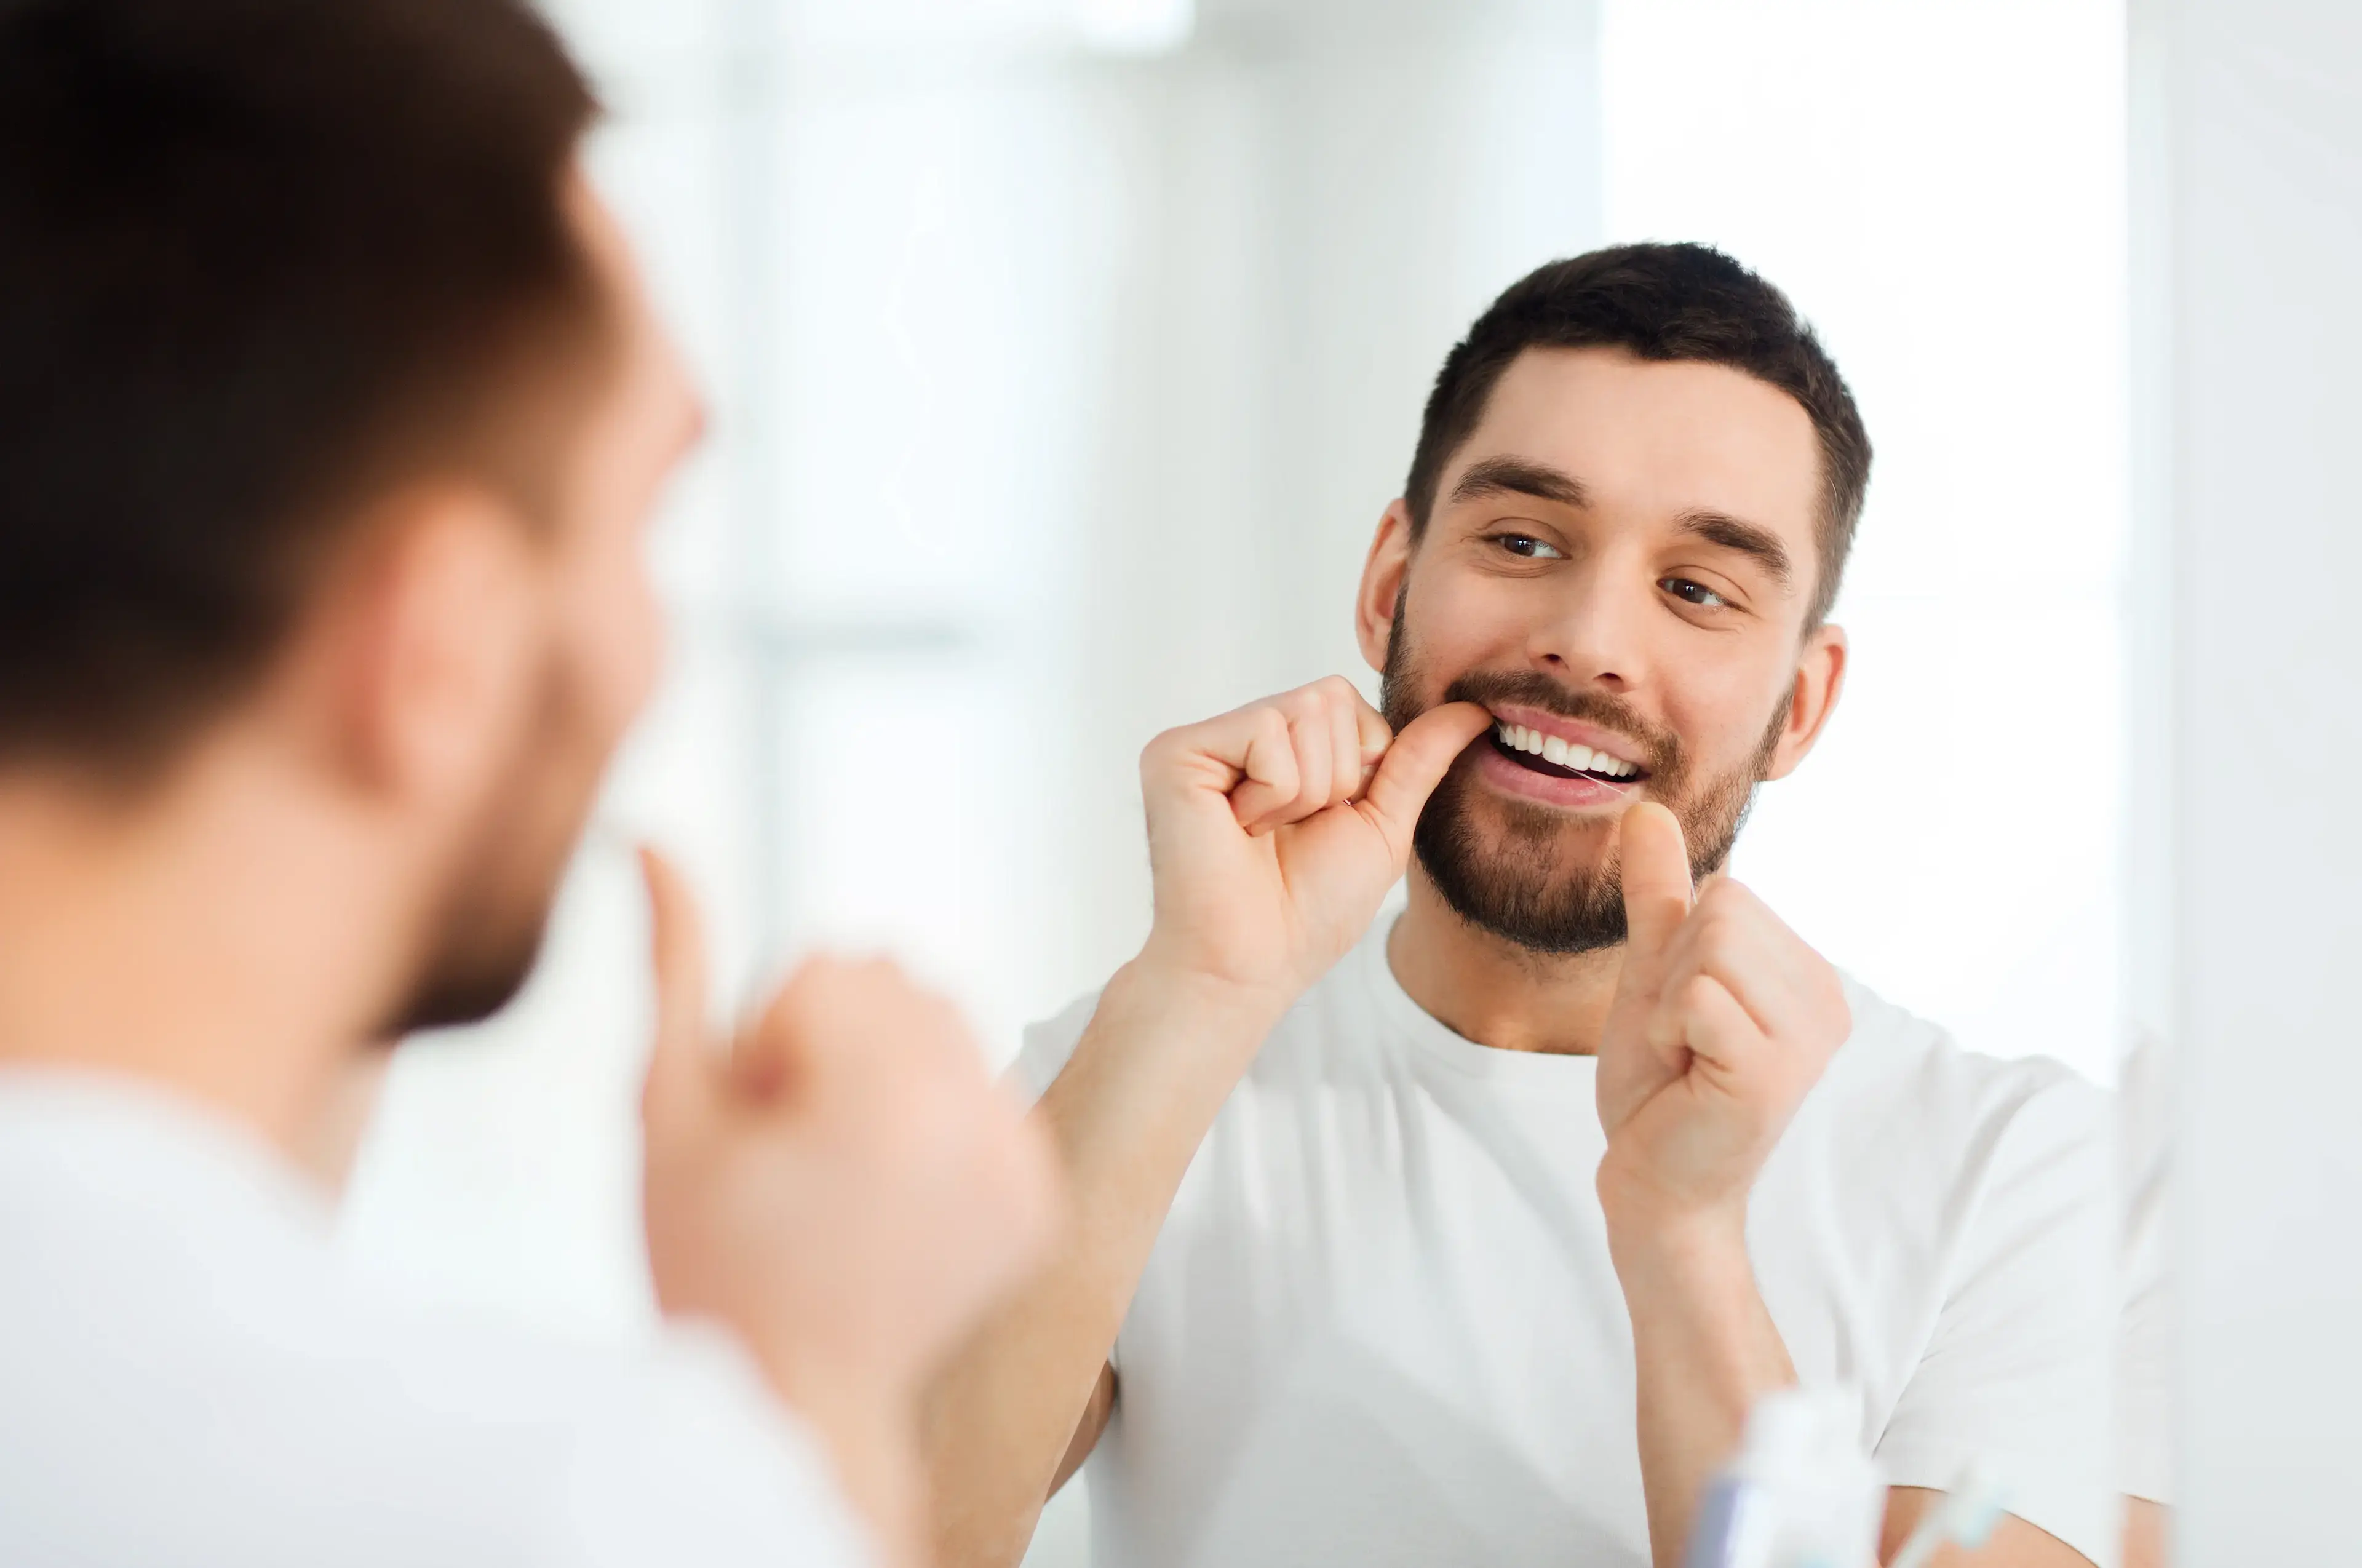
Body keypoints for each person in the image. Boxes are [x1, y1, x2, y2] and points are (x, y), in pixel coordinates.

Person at [0, 2, 1056, 1565]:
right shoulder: (553, 1510)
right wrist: (816, 1398)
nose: (647, 651)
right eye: (637, 521)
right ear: (438, 651)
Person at [923, 245, 2115, 1568]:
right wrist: (1200, 996)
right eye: (1523, 540)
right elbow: (891, 1531)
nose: (1590, 640)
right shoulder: (1128, 1075)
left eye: (1697, 590)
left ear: (1803, 703)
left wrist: (1688, 1243)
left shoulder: (2023, 1175)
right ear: (1391, 583)